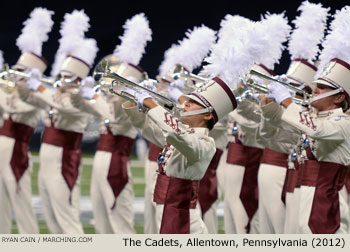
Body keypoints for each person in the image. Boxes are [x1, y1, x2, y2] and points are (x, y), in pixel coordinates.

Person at [261, 5, 350, 234]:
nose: (314, 91)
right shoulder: (310, 116)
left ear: (339, 96)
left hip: (325, 198)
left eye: (321, 88)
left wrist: (287, 101)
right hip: (301, 190)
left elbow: (318, 130)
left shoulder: (343, 122)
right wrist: (270, 103)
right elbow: (274, 129)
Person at [17, 10, 98, 234]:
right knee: (50, 213)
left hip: (64, 159)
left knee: (66, 217)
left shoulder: (81, 99)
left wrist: (39, 86)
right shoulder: (56, 95)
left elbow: (61, 104)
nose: (60, 81)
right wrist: (23, 84)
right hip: (48, 156)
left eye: (66, 78)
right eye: (61, 77)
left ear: (78, 80)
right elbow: (29, 98)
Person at [71, 13, 152, 233]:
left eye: (115, 78)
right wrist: (80, 92)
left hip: (117, 161)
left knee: (120, 222)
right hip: (100, 157)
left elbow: (114, 115)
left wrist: (110, 92)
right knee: (101, 220)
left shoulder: (130, 102)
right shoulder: (106, 96)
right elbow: (82, 106)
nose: (108, 82)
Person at [0, 7, 54, 234]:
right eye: (16, 69)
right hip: (3, 147)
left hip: (16, 152)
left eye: (20, 71)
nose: (14, 73)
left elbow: (13, 108)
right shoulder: (10, 90)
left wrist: (27, 86)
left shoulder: (33, 96)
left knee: (21, 202)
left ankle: (30, 242)